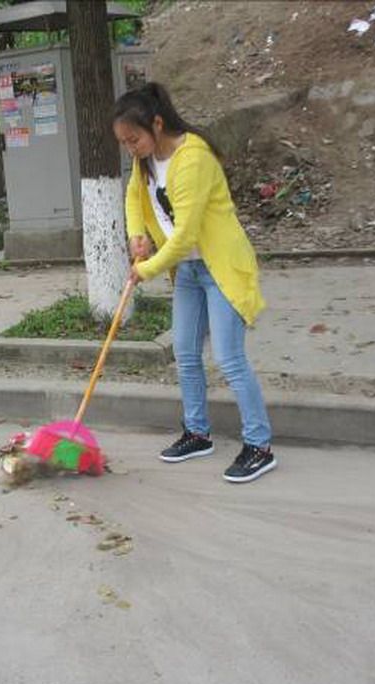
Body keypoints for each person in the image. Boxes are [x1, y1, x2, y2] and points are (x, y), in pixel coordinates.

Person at [114, 83, 277, 484]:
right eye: (124, 143)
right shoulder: (146, 160)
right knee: (185, 353)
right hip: (186, 271)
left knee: (229, 358)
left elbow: (186, 235)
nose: (130, 148)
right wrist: (138, 234)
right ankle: (197, 433)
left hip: (219, 267)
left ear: (156, 123)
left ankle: (259, 446)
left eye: (133, 139)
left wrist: (146, 269)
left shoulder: (194, 158)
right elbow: (134, 198)